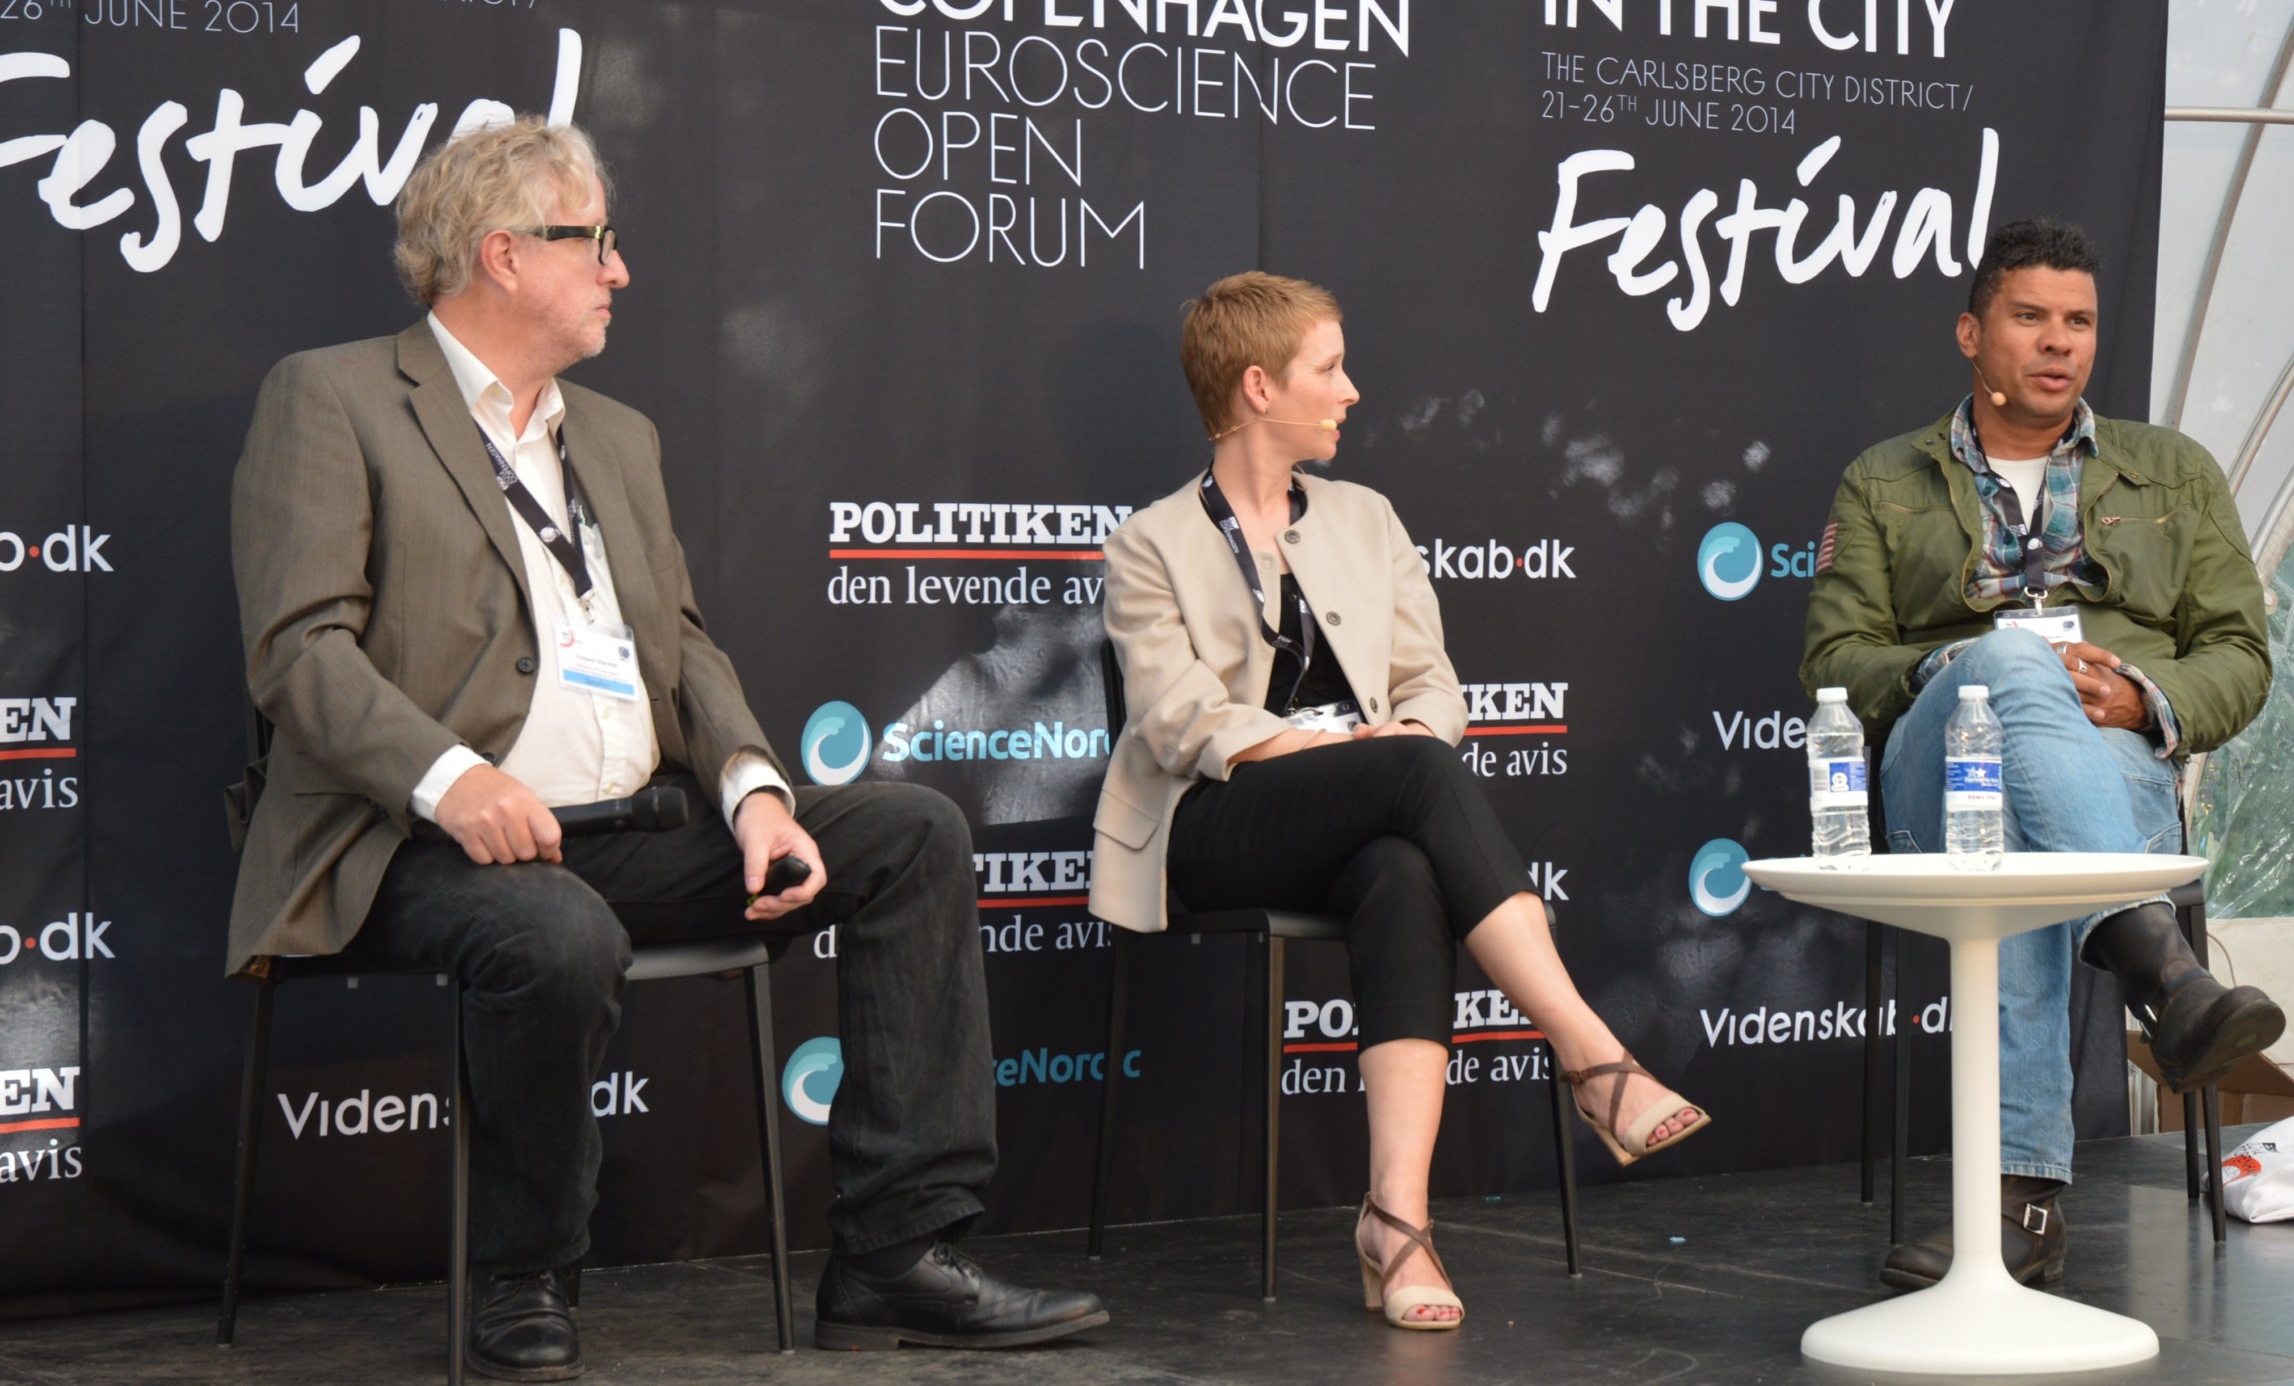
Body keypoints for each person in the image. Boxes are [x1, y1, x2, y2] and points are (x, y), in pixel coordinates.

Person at [225, 118, 1103, 1377]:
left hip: (622, 834)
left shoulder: (616, 438)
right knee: (555, 931)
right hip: (406, 842)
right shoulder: (335, 395)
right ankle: (527, 1274)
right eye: (596, 243)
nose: (621, 271)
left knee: (910, 833)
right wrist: (453, 777)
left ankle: (895, 1254)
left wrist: (751, 789)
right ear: (505, 255)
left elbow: (679, 645)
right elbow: (299, 650)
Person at [1090, 272, 1707, 1333]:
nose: (1352, 390)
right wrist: (1351, 748)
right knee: (1410, 774)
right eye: (1327, 368)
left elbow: (1432, 686)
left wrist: (1397, 741)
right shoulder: (1151, 541)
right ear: (1254, 387)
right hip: (1217, 825)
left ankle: (1397, 1222)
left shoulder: (1367, 518)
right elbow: (1177, 719)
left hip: (1364, 815)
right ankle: (1590, 1054)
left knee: (1405, 866)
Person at [1801, 216, 2284, 1291]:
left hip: (2113, 770)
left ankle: (2021, 1204)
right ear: (1972, 333)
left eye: (2078, 322)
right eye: (2029, 317)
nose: (2057, 342)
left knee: (2017, 833)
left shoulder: (2173, 471)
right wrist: (1970, 668)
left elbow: (2241, 655)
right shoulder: (1882, 481)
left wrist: (2138, 692)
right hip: (1934, 769)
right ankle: (2154, 958)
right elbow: (1833, 658)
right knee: (2006, 667)